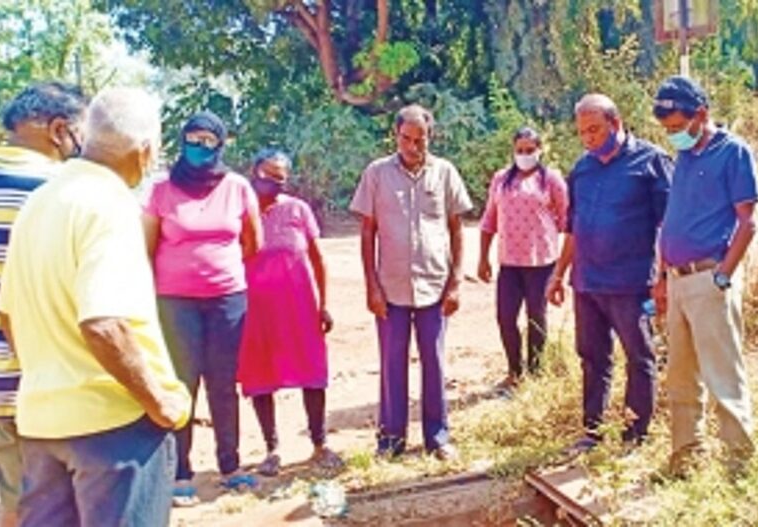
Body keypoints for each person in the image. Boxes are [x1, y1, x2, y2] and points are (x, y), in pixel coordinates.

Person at [0, 87, 191, 527]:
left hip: (43, 424)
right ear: (145, 152)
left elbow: (6, 316)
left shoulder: (39, 202)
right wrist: (159, 403)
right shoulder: (111, 206)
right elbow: (104, 323)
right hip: (113, 428)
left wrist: (54, 373)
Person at [0, 82, 87, 527]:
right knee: (65, 506)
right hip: (53, 369)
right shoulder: (55, 185)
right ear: (58, 129)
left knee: (15, 501)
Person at [142, 111, 262, 505]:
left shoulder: (237, 186)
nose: (200, 146)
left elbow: (252, 242)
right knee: (182, 383)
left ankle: (231, 466)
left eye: (208, 140)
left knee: (224, 383)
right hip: (175, 302)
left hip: (227, 299)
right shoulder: (161, 189)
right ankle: (180, 472)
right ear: (181, 141)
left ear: (221, 144)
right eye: (193, 138)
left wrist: (218, 270)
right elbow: (147, 247)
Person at [546, 94, 671, 453]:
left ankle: (635, 436)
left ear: (615, 124)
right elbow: (573, 226)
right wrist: (558, 274)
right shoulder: (582, 168)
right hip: (587, 283)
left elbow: (668, 225)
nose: (588, 138)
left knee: (639, 356)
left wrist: (663, 279)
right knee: (593, 358)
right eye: (582, 132)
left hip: (632, 284)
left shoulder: (651, 162)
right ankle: (593, 432)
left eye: (595, 130)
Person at [349, 104, 473, 460]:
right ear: (396, 134)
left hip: (435, 286)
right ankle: (391, 439)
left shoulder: (445, 173)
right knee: (392, 362)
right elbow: (367, 232)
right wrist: (371, 286)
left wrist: (456, 282)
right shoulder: (376, 174)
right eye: (407, 138)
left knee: (434, 362)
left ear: (430, 137)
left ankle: (438, 437)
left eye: (420, 140)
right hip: (390, 288)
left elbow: (456, 228)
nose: (413, 146)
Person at [651, 76, 758, 475]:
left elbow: (747, 224)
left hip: (710, 278)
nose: (673, 135)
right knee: (680, 377)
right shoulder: (685, 158)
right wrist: (663, 278)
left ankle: (738, 468)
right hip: (678, 280)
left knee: (722, 377)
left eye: (678, 127)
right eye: (668, 130)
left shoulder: (733, 153)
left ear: (702, 114)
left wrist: (724, 276)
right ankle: (684, 459)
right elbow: (674, 219)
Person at [237, 149, 343, 476]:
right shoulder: (240, 213)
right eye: (267, 175)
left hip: (299, 306)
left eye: (280, 177)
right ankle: (272, 450)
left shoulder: (298, 209)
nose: (273, 182)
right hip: (255, 310)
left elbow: (317, 259)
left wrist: (324, 304)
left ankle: (319, 444)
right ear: (254, 172)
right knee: (260, 377)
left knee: (311, 371)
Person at [478, 126, 568, 390]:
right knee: (505, 317)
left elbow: (566, 218)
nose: (525, 155)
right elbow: (489, 219)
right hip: (509, 262)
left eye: (530, 150)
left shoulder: (551, 180)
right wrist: (483, 258)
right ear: (513, 150)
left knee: (536, 317)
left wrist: (563, 264)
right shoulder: (501, 180)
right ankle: (514, 372)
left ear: (540, 150)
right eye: (520, 150)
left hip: (540, 262)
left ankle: (537, 373)